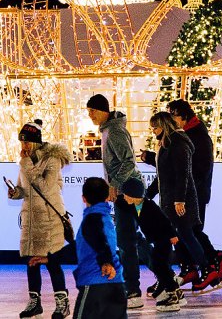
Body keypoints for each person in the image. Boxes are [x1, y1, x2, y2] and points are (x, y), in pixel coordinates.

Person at [145, 112, 219, 292]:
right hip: (171, 200)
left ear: (163, 125)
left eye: (155, 127)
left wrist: (180, 200)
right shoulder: (168, 143)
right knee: (180, 236)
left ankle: (207, 268)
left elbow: (182, 174)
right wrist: (149, 194)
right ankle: (189, 271)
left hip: (181, 201)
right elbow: (164, 176)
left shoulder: (178, 143)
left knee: (186, 235)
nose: (153, 131)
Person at [8, 120, 72, 319]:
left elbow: (45, 187)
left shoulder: (52, 160)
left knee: (52, 260)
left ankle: (62, 302)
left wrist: (27, 164)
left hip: (50, 217)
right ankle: (34, 301)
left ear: (35, 142)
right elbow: (25, 188)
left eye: (26, 142)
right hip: (31, 217)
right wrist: (15, 192)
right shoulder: (24, 162)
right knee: (32, 261)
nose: (23, 147)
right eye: (21, 142)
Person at [86, 94, 145, 308]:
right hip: (125, 189)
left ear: (103, 110)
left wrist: (114, 184)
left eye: (92, 110)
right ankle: (149, 282)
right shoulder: (108, 130)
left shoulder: (115, 131)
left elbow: (128, 162)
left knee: (127, 240)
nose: (90, 115)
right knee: (130, 239)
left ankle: (134, 290)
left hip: (128, 190)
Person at [166, 99, 222, 284]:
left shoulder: (198, 136)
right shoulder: (183, 135)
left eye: (174, 115)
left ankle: (213, 260)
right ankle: (191, 267)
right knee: (183, 230)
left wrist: (187, 190)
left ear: (184, 116)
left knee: (191, 229)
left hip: (194, 193)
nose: (172, 119)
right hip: (186, 192)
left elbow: (197, 168)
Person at [120, 178, 185, 312]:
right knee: (159, 265)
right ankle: (176, 291)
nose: (124, 197)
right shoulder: (133, 205)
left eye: (126, 195)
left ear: (133, 195)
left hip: (164, 240)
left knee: (160, 266)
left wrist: (173, 235)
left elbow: (165, 220)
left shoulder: (150, 206)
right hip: (157, 241)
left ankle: (172, 292)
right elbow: (121, 203)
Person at [73, 177, 127, 319]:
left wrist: (105, 262)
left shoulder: (92, 218)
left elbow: (99, 240)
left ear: (83, 199)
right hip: (117, 285)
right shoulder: (106, 218)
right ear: (108, 197)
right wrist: (50, 257)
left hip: (95, 285)